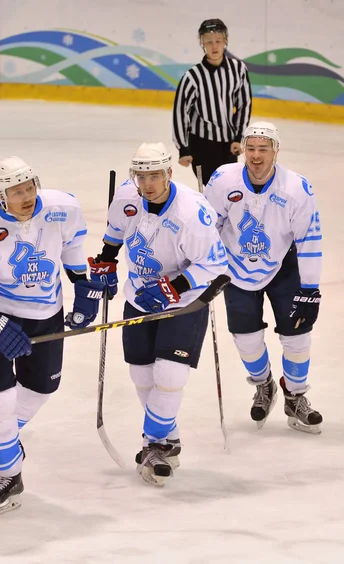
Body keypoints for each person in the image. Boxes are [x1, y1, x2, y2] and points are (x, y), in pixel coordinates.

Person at [0, 156, 103, 515]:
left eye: (29, 187)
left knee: (42, 388)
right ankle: (8, 474)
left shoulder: (63, 207)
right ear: (1, 195)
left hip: (45, 314)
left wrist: (82, 287)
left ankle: (5, 441)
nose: (26, 196)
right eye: (16, 191)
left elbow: (72, 245)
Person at [89, 142, 228, 486]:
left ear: (169, 173)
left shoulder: (192, 212)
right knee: (143, 378)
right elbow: (114, 236)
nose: (147, 183)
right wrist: (106, 261)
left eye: (155, 175)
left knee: (169, 376)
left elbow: (215, 264)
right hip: (138, 296)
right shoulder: (126, 198)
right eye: (141, 175)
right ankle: (171, 439)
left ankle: (152, 443)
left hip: (185, 301)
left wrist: (172, 288)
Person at [204, 121, 323, 434]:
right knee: (247, 340)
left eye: (264, 149)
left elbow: (310, 239)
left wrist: (310, 288)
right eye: (251, 148)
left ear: (276, 151)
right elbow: (205, 228)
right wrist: (205, 268)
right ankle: (264, 385)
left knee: (297, 336)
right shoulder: (223, 179)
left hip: (283, 267)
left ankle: (295, 396)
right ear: (244, 149)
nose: (256, 156)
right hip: (235, 270)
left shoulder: (296, 188)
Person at [172, 18, 252, 185]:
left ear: (225, 41)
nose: (214, 46)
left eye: (218, 41)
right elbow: (180, 112)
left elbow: (244, 104)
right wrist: (183, 149)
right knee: (210, 189)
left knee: (230, 189)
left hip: (229, 144)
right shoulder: (193, 76)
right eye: (208, 42)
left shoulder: (238, 69)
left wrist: (238, 136)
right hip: (202, 145)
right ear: (202, 43)